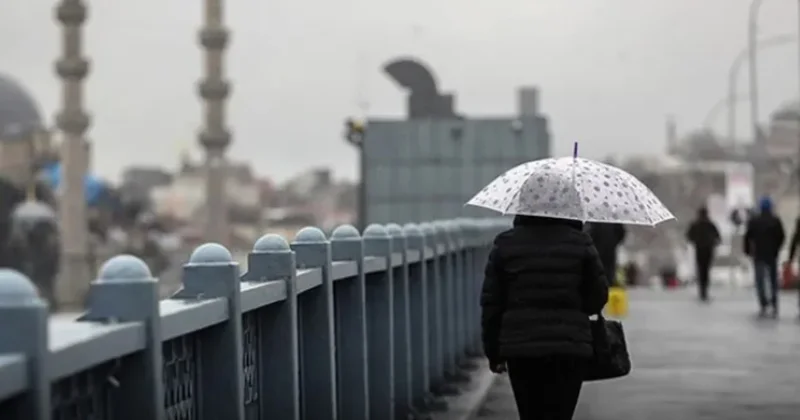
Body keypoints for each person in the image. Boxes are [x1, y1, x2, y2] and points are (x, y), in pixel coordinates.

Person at [480, 215, 609, 420]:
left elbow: (492, 304)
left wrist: (493, 352)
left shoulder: (506, 243)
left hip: (521, 348)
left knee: (530, 413)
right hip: (570, 346)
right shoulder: (580, 242)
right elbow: (598, 297)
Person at [744, 197, 785, 317]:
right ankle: (774, 303)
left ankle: (763, 303)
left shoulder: (754, 221)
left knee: (760, 280)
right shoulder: (775, 220)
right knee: (773, 279)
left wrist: (748, 250)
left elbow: (748, 237)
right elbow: (781, 236)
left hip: (759, 254)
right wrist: (777, 248)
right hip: (772, 254)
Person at [685, 207, 721, 302]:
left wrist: (695, 241)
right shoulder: (710, 224)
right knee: (706, 269)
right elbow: (718, 237)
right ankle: (705, 290)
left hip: (699, 249)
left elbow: (689, 236)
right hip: (709, 249)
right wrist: (713, 242)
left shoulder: (695, 225)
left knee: (701, 269)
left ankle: (702, 290)